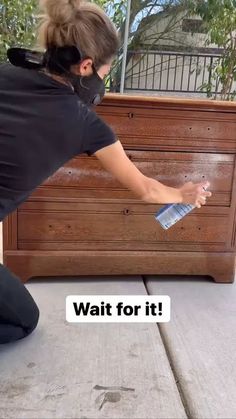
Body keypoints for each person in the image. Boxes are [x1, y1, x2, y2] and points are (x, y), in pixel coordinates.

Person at [0, 0, 212, 345]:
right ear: (86, 66)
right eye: (105, 72)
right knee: (24, 320)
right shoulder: (83, 122)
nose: (104, 83)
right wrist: (183, 195)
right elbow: (145, 189)